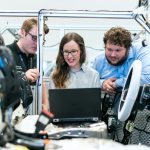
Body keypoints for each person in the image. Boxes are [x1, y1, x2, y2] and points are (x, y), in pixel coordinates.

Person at [7, 18, 49, 110]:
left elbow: (42, 83)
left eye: (40, 40)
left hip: (28, 114)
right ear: (22, 32)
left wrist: (45, 106)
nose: (37, 43)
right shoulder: (6, 54)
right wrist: (23, 78)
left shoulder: (35, 58)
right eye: (34, 38)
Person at [93, 27, 150, 93]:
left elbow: (148, 78)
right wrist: (103, 83)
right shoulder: (99, 59)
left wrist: (117, 83)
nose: (113, 55)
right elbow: (89, 81)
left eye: (118, 50)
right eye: (109, 49)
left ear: (128, 49)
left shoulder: (141, 52)